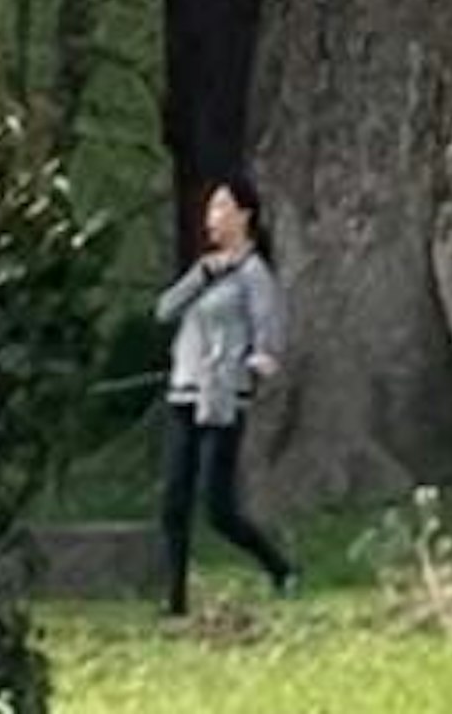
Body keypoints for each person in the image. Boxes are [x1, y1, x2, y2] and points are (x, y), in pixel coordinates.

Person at [154, 178, 294, 633]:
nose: (211, 216)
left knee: (217, 506)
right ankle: (174, 598)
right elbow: (164, 310)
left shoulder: (254, 274)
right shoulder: (206, 268)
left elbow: (268, 333)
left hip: (222, 396)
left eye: (220, 207)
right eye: (210, 207)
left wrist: (257, 361)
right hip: (184, 390)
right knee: (173, 498)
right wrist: (202, 276)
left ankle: (279, 567)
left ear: (244, 215)